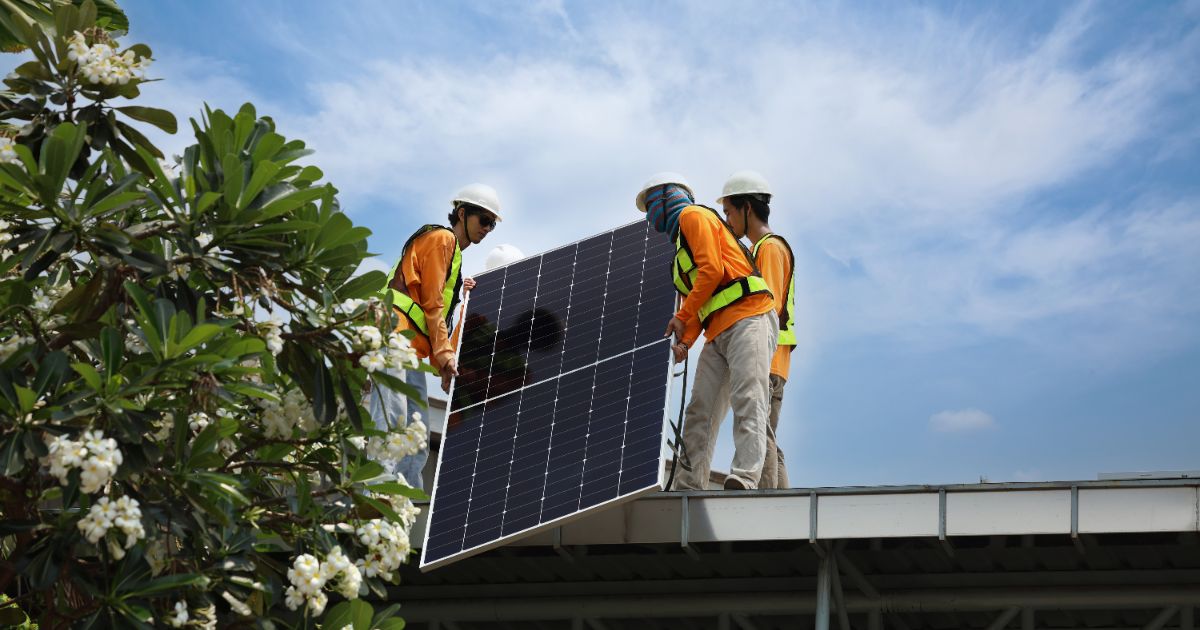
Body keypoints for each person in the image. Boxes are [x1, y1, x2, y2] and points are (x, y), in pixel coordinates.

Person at [636, 172, 778, 490]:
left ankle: (745, 477)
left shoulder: (693, 216)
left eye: (650, 206)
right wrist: (685, 342)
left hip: (750, 316)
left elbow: (712, 271)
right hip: (717, 332)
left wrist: (681, 316)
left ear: (667, 198)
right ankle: (689, 485)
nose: (649, 217)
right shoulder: (679, 254)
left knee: (748, 396)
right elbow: (703, 302)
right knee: (700, 409)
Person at [372, 183, 502, 488]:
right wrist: (444, 356)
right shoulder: (442, 239)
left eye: (492, 224)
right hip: (393, 336)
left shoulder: (454, 259)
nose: (487, 228)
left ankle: (403, 496)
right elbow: (432, 303)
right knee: (392, 416)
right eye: (484, 220)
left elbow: (439, 316)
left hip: (409, 349)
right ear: (462, 214)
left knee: (415, 430)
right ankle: (378, 489)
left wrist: (444, 364)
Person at [717, 171, 793, 489]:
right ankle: (786, 508)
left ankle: (767, 507)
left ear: (747, 208)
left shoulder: (769, 248)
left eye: (729, 212)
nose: (727, 220)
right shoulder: (762, 248)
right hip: (773, 357)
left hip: (767, 355)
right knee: (767, 437)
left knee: (761, 435)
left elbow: (767, 308)